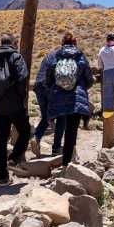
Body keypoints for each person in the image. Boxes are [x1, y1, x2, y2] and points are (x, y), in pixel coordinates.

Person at [0, 34, 31, 184]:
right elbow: (23, 78)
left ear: (0, 43)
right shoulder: (16, 57)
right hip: (15, 105)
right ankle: (14, 159)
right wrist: (20, 97)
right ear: (13, 43)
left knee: (1, 141)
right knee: (25, 131)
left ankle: (3, 178)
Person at [45, 33, 94, 168]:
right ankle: (68, 163)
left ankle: (60, 154)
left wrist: (56, 89)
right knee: (72, 130)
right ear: (75, 43)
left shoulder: (55, 56)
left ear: (62, 43)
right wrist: (82, 87)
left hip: (58, 97)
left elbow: (48, 79)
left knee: (62, 125)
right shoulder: (80, 56)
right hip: (76, 98)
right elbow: (89, 78)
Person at [32, 49, 58, 156]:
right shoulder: (63, 56)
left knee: (46, 118)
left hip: (38, 86)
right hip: (49, 86)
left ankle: (36, 137)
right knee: (61, 116)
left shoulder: (48, 55)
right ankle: (58, 148)